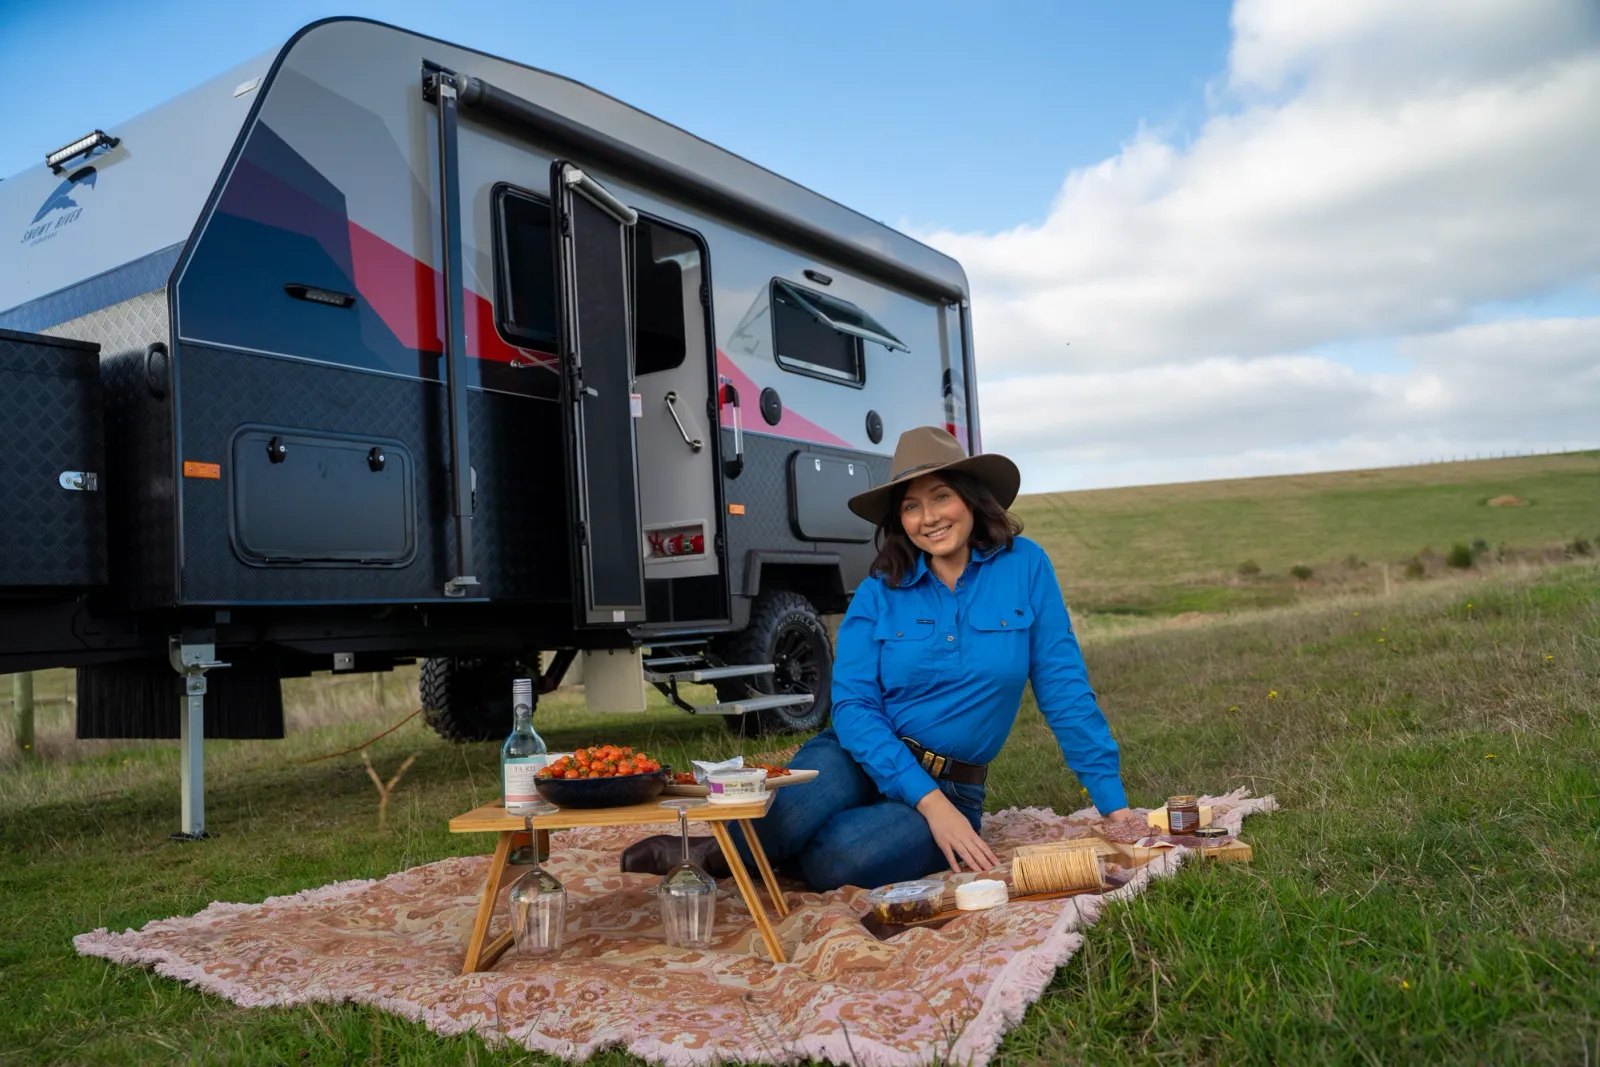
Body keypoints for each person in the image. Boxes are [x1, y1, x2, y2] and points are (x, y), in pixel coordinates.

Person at [623, 426, 1131, 890]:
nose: (928, 518)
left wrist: (1114, 806)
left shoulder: (1027, 566)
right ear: (898, 519)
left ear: (971, 498)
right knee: (795, 808)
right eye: (911, 506)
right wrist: (923, 800)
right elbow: (853, 707)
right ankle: (715, 857)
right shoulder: (877, 592)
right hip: (856, 753)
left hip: (952, 784)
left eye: (941, 497)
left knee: (843, 859)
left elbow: (1064, 690)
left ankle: (764, 852)